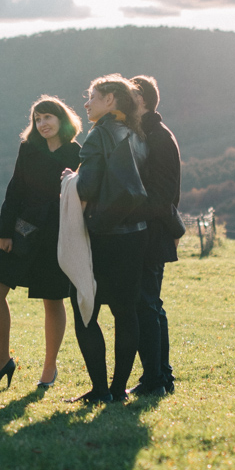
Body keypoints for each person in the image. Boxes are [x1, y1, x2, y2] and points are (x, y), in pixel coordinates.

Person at [0, 96, 82, 390]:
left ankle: (49, 368)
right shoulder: (29, 148)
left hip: (57, 233)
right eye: (37, 119)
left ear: (62, 120)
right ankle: (2, 360)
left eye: (48, 117)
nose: (42, 124)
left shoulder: (77, 152)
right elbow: (15, 189)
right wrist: (4, 231)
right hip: (24, 230)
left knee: (53, 299)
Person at [69, 75, 149, 404]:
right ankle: (119, 390)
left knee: (84, 310)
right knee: (126, 312)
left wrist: (70, 180)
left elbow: (86, 187)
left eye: (92, 97)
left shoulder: (99, 134)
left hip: (102, 236)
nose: (86, 103)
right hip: (135, 235)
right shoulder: (136, 134)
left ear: (111, 100)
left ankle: (100, 389)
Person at [130, 75, 181, 396]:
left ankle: (154, 380)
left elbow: (161, 197)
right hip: (155, 231)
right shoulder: (152, 133)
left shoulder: (157, 138)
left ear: (142, 99)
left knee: (144, 304)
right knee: (151, 304)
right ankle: (162, 376)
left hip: (151, 232)